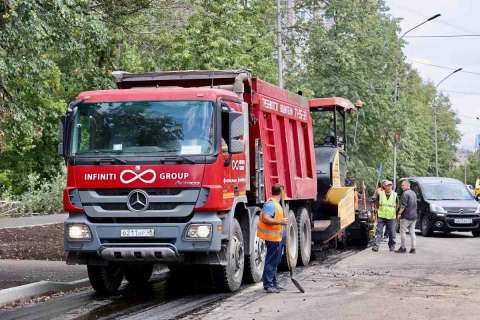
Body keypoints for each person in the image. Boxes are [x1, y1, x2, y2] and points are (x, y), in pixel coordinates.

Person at [257, 183, 289, 293]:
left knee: (276, 261)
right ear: (281, 192)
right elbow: (266, 219)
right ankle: (268, 285)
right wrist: (280, 221)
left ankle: (274, 283)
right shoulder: (271, 204)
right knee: (271, 261)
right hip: (271, 238)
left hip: (277, 238)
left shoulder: (276, 204)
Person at [372, 180, 399, 252]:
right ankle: (376, 246)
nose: (389, 186)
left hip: (391, 217)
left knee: (392, 232)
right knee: (379, 231)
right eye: (388, 185)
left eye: (390, 185)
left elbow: (397, 205)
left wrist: (394, 212)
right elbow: (377, 203)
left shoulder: (395, 195)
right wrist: (378, 210)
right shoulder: (380, 194)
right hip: (381, 216)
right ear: (384, 186)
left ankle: (392, 246)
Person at [396, 180, 418, 254]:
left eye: (403, 185)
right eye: (402, 185)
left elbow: (403, 206)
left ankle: (403, 248)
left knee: (402, 232)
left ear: (408, 186)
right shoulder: (413, 193)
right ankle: (413, 248)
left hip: (406, 216)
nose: (402, 187)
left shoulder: (405, 194)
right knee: (412, 232)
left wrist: (399, 214)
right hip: (414, 216)